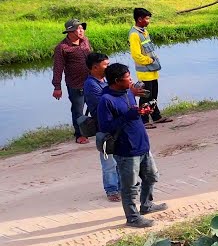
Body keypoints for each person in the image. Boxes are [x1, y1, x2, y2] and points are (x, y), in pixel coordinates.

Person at [97, 63, 166, 228]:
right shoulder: (106, 101)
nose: (131, 80)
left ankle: (146, 205)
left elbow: (132, 113)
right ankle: (132, 218)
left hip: (142, 146)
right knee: (130, 187)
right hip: (126, 150)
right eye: (128, 78)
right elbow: (106, 128)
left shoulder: (127, 92)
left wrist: (142, 112)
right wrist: (130, 115)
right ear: (117, 81)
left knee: (151, 176)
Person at [82, 52, 121, 203]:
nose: (108, 67)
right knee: (108, 160)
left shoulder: (105, 80)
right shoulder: (91, 85)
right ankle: (112, 189)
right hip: (104, 127)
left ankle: (121, 186)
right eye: (106, 65)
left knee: (118, 158)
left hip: (115, 125)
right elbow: (102, 107)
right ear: (95, 67)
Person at [128, 7, 172, 127]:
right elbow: (136, 55)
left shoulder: (144, 32)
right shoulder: (134, 35)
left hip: (152, 70)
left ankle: (156, 116)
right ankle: (144, 120)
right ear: (139, 19)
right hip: (144, 72)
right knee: (145, 96)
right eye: (147, 19)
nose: (148, 21)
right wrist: (150, 60)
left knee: (153, 95)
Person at [52, 19, 93, 145]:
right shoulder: (62, 47)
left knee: (97, 106)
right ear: (70, 31)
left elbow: (92, 58)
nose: (82, 31)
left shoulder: (85, 41)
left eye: (82, 28)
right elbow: (58, 68)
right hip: (76, 85)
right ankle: (79, 134)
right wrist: (57, 87)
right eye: (78, 28)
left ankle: (96, 129)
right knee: (78, 110)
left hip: (91, 82)